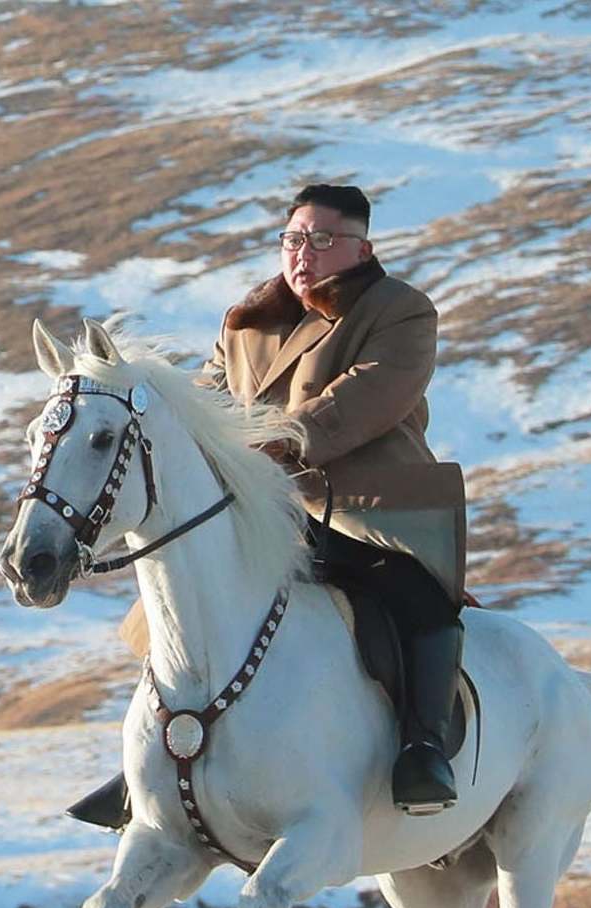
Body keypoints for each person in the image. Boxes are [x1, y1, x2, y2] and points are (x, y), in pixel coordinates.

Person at [68, 182, 466, 829]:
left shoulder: (400, 312)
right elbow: (205, 403)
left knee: (419, 604)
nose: (301, 253)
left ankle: (422, 749)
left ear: (360, 248)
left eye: (320, 240)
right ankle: (157, 759)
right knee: (177, 606)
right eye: (291, 239)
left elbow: (362, 399)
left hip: (364, 509)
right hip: (262, 510)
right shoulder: (244, 320)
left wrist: (271, 442)